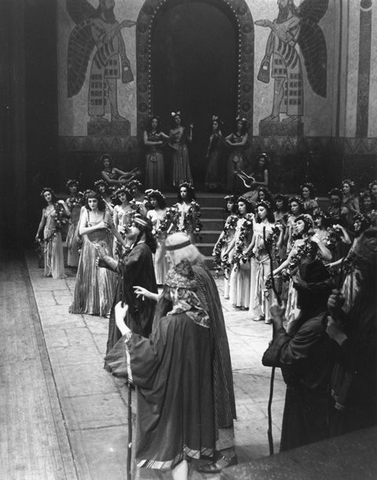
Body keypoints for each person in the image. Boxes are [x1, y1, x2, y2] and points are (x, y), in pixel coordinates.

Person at [134, 233, 238, 472]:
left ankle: (226, 453)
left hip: (204, 342)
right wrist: (153, 296)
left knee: (214, 392)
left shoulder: (196, 274)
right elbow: (180, 298)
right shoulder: (194, 270)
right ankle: (201, 447)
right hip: (199, 339)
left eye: (169, 255)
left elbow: (193, 306)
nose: (167, 260)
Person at [109, 260, 215, 479]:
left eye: (168, 290)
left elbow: (148, 355)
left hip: (173, 396)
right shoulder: (203, 318)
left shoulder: (170, 324)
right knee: (185, 449)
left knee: (174, 445)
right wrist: (152, 295)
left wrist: (122, 323)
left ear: (176, 291)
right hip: (193, 393)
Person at [266, 259, 335, 451]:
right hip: (307, 396)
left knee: (302, 448)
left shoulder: (314, 326)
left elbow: (286, 357)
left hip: (308, 399)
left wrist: (278, 322)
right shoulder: (315, 318)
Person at [326, 227, 377, 437]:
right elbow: (356, 326)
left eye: (360, 266)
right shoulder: (367, 294)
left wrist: (340, 337)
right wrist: (337, 311)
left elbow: (368, 361)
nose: (355, 271)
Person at [97, 214, 158, 363]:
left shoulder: (141, 249)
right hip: (131, 293)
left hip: (136, 298)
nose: (128, 227)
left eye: (133, 226)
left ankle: (132, 365)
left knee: (133, 328)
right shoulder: (139, 247)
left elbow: (124, 267)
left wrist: (105, 257)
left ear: (142, 231)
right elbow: (126, 266)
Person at [67, 0, 136, 123]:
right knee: (98, 87)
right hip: (101, 60)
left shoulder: (114, 23)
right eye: (110, 3)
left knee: (113, 87)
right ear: (102, 5)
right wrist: (121, 26)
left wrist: (124, 58)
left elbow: (120, 42)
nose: (113, 5)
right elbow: (104, 40)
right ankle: (96, 116)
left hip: (113, 59)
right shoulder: (95, 22)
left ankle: (115, 115)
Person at [69, 190, 123, 317]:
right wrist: (98, 226)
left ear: (99, 201)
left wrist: (124, 243)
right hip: (90, 248)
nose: (92, 204)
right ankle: (92, 306)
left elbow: (114, 230)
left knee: (105, 276)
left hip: (104, 247)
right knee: (91, 277)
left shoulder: (106, 214)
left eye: (94, 201)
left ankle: (107, 307)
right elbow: (82, 230)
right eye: (89, 201)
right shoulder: (86, 213)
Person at [245, 200, 277, 323]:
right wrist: (246, 252)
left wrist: (260, 245)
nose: (259, 212)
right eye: (258, 210)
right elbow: (253, 241)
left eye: (262, 210)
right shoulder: (257, 225)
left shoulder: (271, 226)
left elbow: (264, 244)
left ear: (267, 211)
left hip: (266, 258)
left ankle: (269, 314)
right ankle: (259, 312)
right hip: (256, 259)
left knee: (266, 285)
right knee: (257, 285)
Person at [35, 187, 70, 279]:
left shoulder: (57, 206)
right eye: (45, 196)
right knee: (48, 251)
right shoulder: (45, 209)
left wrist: (64, 203)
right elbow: (42, 222)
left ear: (52, 195)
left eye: (49, 194)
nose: (47, 197)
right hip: (46, 231)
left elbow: (68, 214)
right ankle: (49, 270)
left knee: (55, 251)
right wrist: (38, 233)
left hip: (55, 231)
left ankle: (57, 271)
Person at [227, 197, 254, 310]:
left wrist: (247, 251)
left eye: (242, 205)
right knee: (236, 275)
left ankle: (246, 302)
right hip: (238, 249)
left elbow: (252, 237)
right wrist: (228, 250)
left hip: (246, 249)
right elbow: (235, 238)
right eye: (239, 205)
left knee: (245, 276)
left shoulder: (251, 220)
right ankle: (239, 301)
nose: (240, 207)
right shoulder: (238, 220)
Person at [212, 195, 239, 299]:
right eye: (227, 203)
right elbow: (224, 231)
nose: (228, 205)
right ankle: (227, 291)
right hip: (225, 243)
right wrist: (217, 243)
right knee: (225, 265)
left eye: (231, 203)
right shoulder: (228, 218)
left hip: (233, 243)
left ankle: (233, 292)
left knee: (231, 265)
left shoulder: (238, 219)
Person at [146, 190, 169, 285]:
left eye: (154, 199)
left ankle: (162, 280)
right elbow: (148, 225)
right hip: (153, 237)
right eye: (151, 200)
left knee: (161, 258)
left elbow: (172, 223)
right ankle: (156, 280)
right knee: (155, 257)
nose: (153, 202)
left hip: (163, 237)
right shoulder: (150, 212)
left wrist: (166, 230)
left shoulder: (165, 211)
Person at [143, 116, 170, 190]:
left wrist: (165, 140)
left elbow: (169, 138)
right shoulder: (146, 132)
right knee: (150, 171)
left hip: (159, 153)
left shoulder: (160, 133)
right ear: (150, 123)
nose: (154, 124)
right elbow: (146, 142)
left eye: (156, 122)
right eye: (153, 122)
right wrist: (157, 142)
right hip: (149, 153)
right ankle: (150, 189)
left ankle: (159, 189)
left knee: (159, 171)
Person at [168, 111, 193, 186]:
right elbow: (168, 142)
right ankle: (177, 182)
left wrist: (191, 130)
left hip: (183, 148)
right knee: (177, 164)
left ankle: (185, 182)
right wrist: (173, 147)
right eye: (176, 118)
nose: (178, 120)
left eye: (179, 118)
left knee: (184, 163)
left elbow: (190, 140)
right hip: (176, 148)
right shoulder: (171, 131)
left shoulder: (184, 129)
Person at [225, 117, 248, 192]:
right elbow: (226, 138)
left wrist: (232, 144)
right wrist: (229, 142)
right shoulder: (233, 133)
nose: (239, 125)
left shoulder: (245, 134)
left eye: (241, 123)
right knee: (231, 172)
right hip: (232, 154)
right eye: (238, 123)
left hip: (240, 154)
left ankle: (239, 189)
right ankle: (230, 189)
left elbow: (243, 143)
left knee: (239, 172)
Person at [65, 179, 83, 269]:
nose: (73, 188)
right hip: (73, 221)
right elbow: (68, 213)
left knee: (81, 242)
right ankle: (75, 264)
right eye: (71, 186)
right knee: (73, 243)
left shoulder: (81, 197)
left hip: (81, 220)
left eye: (75, 186)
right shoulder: (68, 200)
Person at [205, 115, 225, 190]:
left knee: (213, 168)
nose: (214, 126)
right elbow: (209, 145)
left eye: (215, 124)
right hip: (211, 153)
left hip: (216, 153)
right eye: (213, 124)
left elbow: (221, 144)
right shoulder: (211, 134)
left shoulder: (219, 134)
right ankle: (209, 184)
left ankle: (214, 184)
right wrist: (207, 153)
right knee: (210, 168)